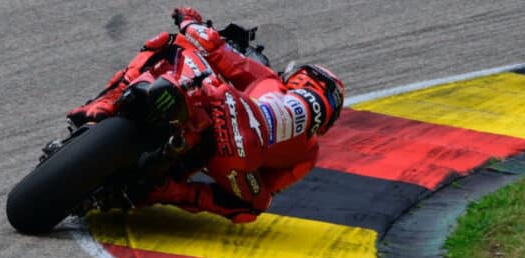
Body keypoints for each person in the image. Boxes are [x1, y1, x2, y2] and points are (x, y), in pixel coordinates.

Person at [67, 6, 345, 223]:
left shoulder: (269, 80)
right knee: (253, 207)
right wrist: (242, 175)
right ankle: (166, 190)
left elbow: (215, 47)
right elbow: (268, 190)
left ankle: (105, 103)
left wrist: (188, 19)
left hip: (225, 108)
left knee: (170, 43)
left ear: (298, 78)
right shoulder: (309, 155)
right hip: (237, 159)